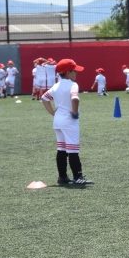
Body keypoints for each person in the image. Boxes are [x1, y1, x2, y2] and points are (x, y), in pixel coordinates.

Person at [41, 58, 93, 186]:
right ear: (68, 72)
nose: (76, 73)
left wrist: (53, 113)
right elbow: (75, 98)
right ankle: (78, 177)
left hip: (58, 121)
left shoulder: (56, 86)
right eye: (74, 71)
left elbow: (44, 98)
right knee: (73, 149)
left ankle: (62, 177)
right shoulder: (73, 85)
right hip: (69, 121)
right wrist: (74, 112)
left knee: (61, 149)